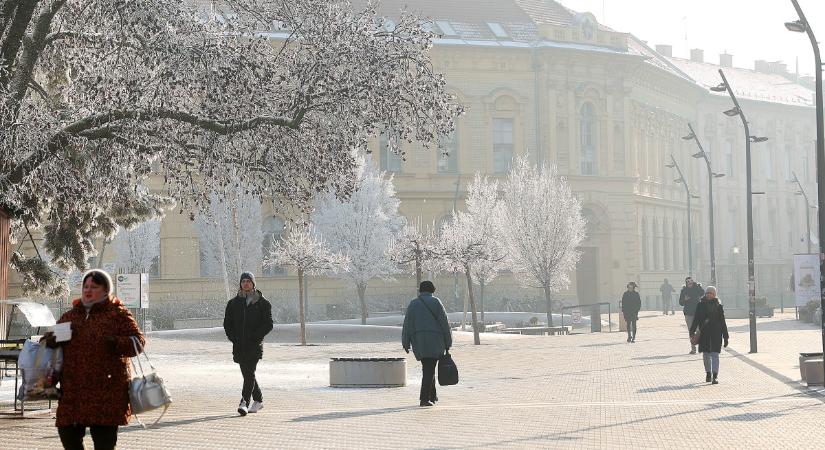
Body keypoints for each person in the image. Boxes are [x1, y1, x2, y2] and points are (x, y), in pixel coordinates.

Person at [43, 269, 144, 450]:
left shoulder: (118, 314)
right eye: (86, 286)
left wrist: (116, 342)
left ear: (106, 290)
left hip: (107, 391)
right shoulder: (72, 315)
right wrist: (52, 339)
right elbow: (47, 342)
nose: (88, 290)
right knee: (67, 434)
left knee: (104, 443)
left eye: (94, 287)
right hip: (74, 392)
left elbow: (138, 342)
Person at [223, 272, 273, 416]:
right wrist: (234, 338)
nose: (246, 283)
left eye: (248, 281)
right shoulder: (233, 303)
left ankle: (244, 402)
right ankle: (258, 400)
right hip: (239, 345)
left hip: (254, 345)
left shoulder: (263, 303)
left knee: (249, 372)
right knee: (247, 374)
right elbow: (227, 324)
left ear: (253, 283)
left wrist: (255, 336)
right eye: (243, 281)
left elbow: (268, 324)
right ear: (240, 284)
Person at [402, 281, 452, 407]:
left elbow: (407, 325)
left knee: (428, 367)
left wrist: (406, 342)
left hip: (419, 342)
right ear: (432, 289)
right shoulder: (436, 302)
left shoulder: (413, 304)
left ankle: (432, 396)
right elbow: (444, 324)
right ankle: (424, 398)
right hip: (435, 341)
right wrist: (448, 342)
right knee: (429, 369)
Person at [689, 286, 729, 384]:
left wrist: (725, 336)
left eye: (711, 293)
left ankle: (715, 376)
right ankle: (708, 373)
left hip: (716, 334)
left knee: (715, 354)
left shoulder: (718, 306)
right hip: (704, 334)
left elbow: (722, 322)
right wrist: (692, 331)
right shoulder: (700, 305)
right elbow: (696, 319)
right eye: (707, 293)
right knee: (706, 354)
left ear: (714, 295)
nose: (709, 295)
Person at [678, 277, 704, 354]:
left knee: (699, 330)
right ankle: (693, 349)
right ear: (686, 283)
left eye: (691, 281)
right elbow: (680, 302)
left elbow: (702, 293)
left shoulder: (696, 288)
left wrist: (698, 286)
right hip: (688, 313)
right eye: (688, 281)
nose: (690, 282)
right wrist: (685, 300)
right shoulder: (684, 290)